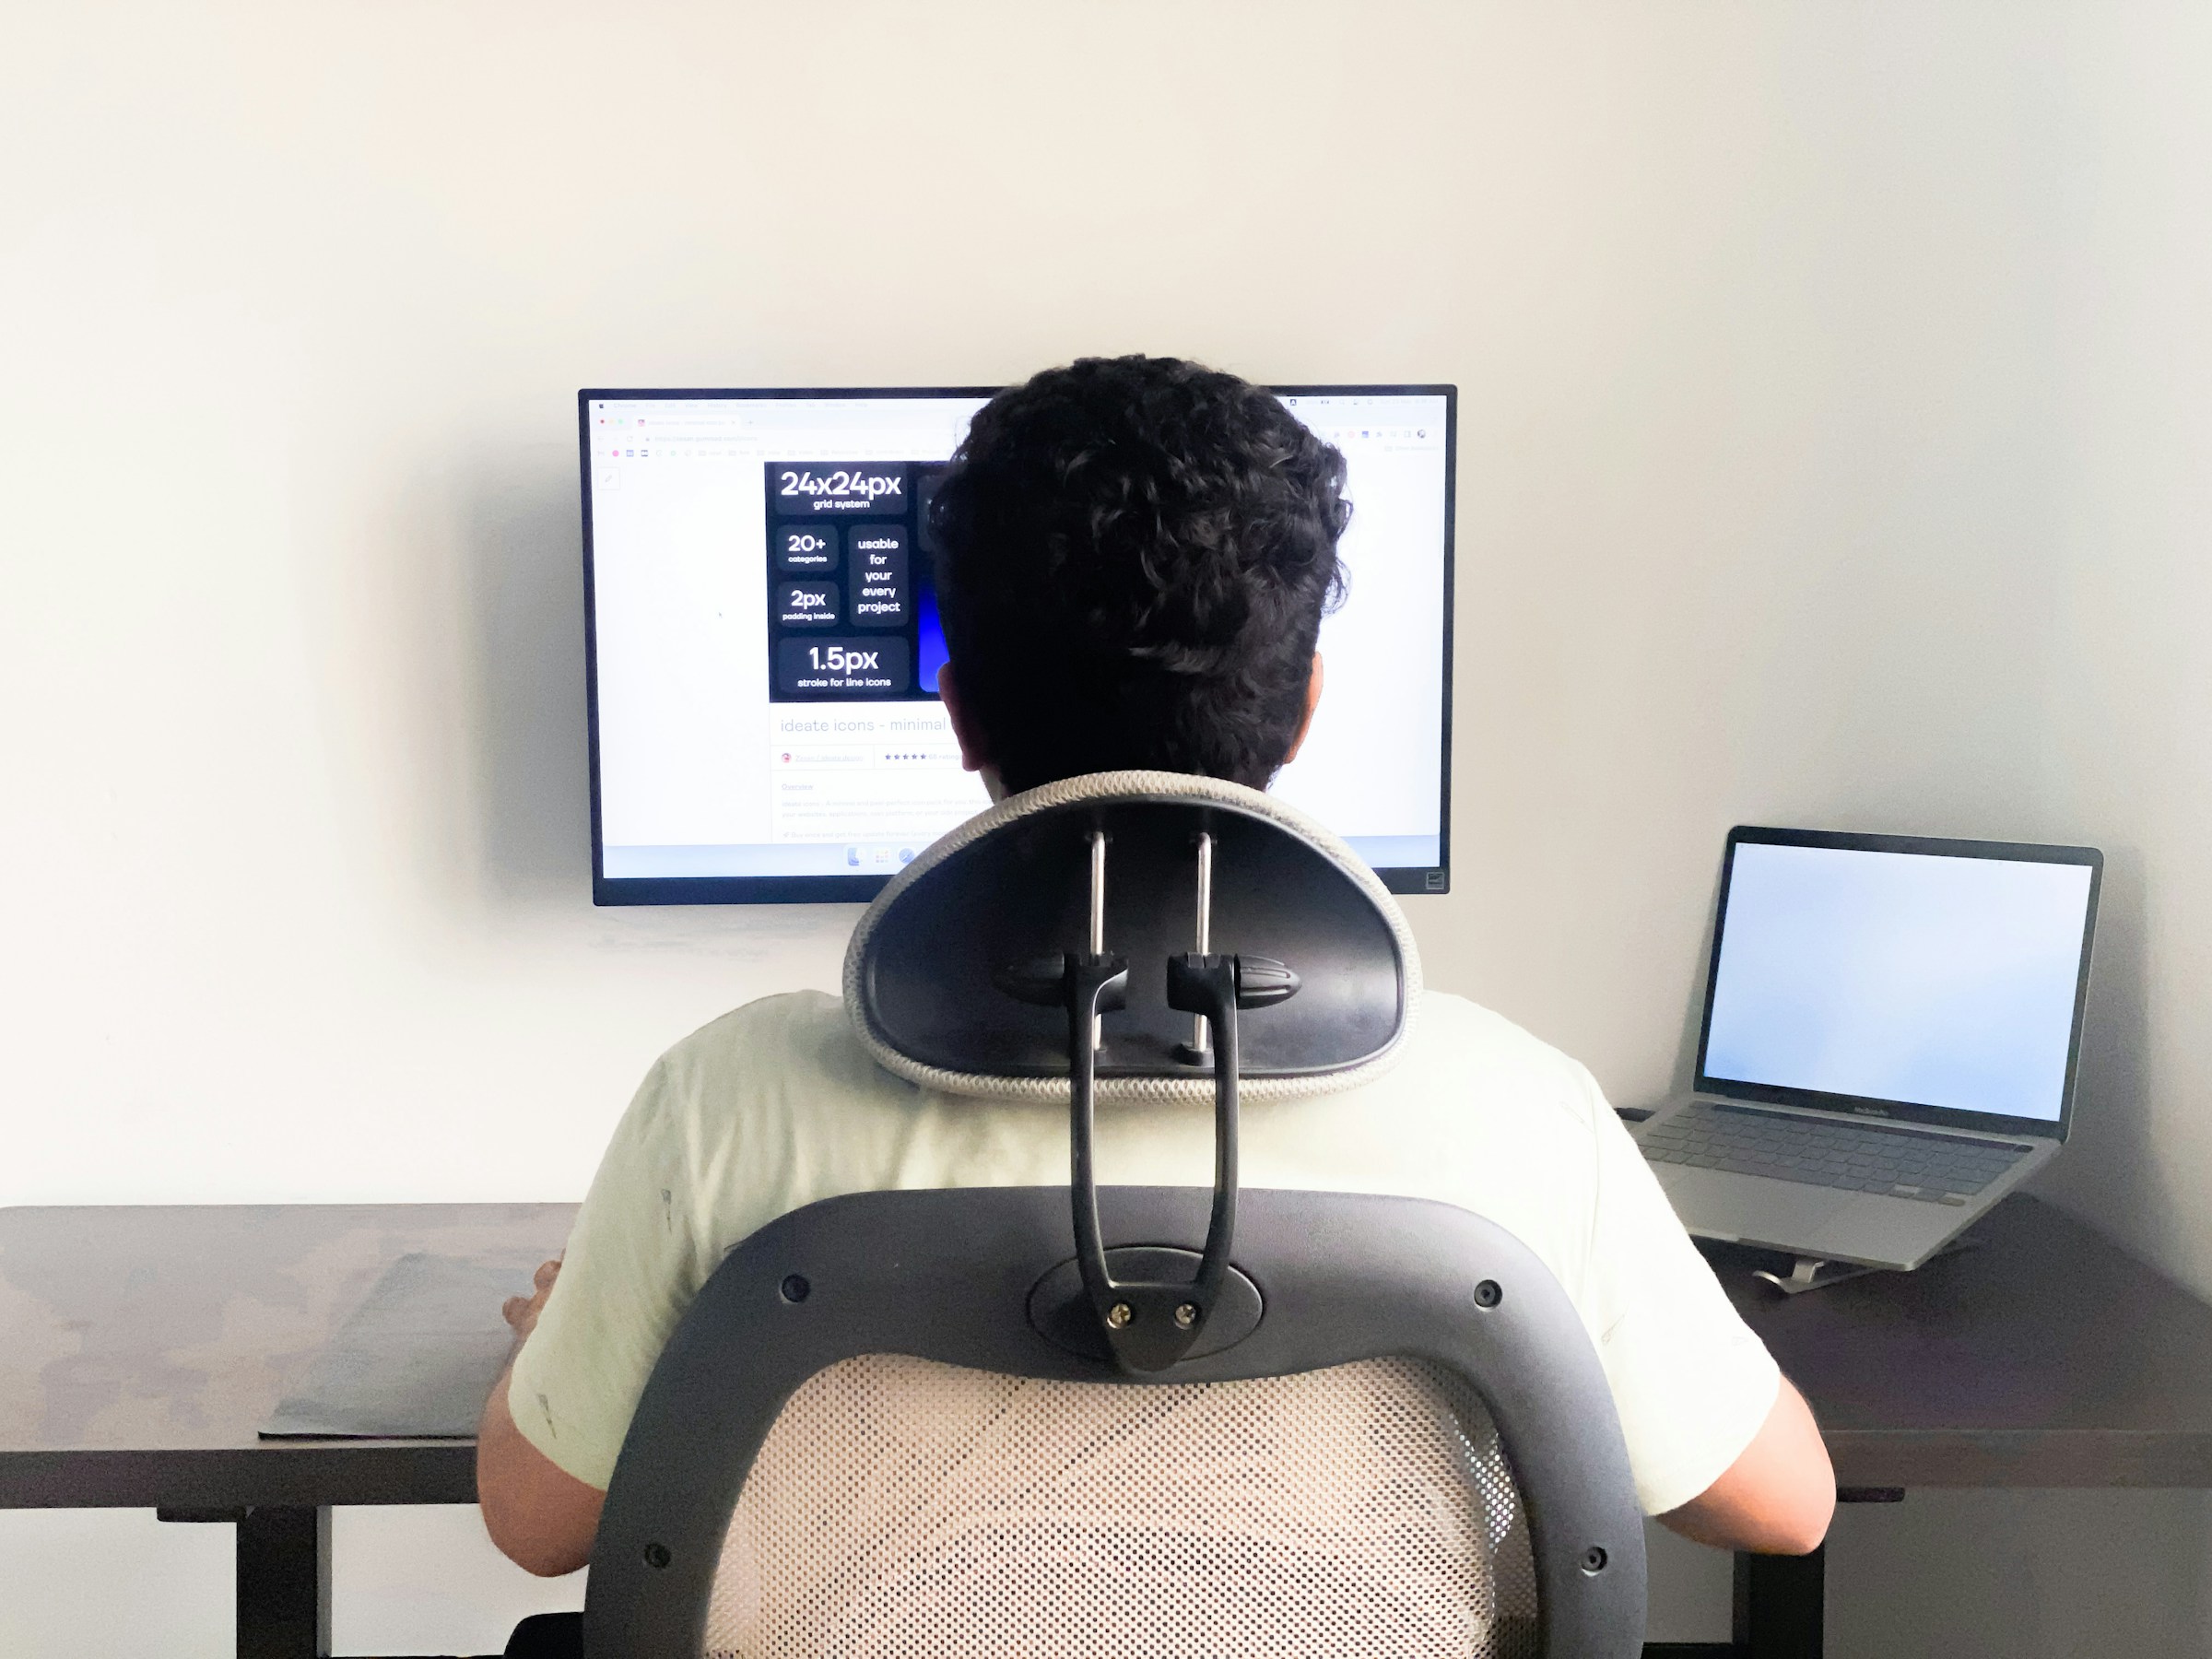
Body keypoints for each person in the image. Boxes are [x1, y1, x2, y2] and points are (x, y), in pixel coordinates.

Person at [477, 354, 1834, 1584]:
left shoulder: (725, 1106)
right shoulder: (1519, 1114)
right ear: (1305, 709)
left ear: (955, 715)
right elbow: (1787, 1507)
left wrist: (577, 1353)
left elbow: (537, 1525)